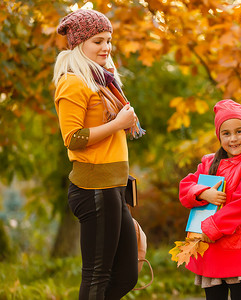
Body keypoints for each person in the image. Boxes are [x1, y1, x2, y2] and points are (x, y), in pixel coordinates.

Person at [53, 9, 145, 300]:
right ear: (79, 44)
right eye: (98, 41)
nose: (106, 47)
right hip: (94, 188)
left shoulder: (103, 81)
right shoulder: (73, 83)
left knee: (127, 275)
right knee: (97, 277)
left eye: (108, 40)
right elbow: (73, 139)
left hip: (114, 187)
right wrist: (118, 124)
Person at [179, 99, 241, 300]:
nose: (233, 138)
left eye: (239, 131)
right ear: (219, 136)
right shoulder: (209, 162)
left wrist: (210, 228)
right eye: (226, 133)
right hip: (211, 250)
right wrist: (202, 192)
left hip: (238, 249)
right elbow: (185, 188)